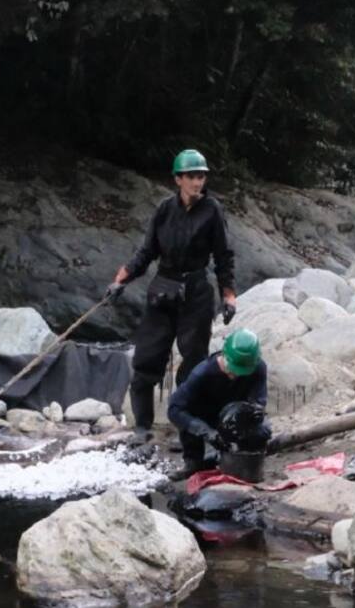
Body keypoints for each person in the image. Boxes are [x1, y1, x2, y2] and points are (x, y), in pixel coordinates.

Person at [107, 149, 237, 440]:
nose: (197, 182)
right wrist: (121, 279)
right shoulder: (165, 209)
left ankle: (187, 433)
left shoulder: (213, 210)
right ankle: (142, 429)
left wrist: (228, 295)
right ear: (178, 179)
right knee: (146, 362)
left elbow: (224, 256)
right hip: (163, 290)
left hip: (196, 293)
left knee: (193, 366)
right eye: (191, 176)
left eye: (201, 176)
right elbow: (147, 251)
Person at [167, 328, 268, 480]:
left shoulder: (258, 367)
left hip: (235, 416)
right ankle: (193, 462)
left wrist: (257, 409)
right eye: (233, 370)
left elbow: (259, 398)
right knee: (189, 418)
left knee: (264, 429)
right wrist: (205, 431)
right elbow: (174, 409)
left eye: (242, 372)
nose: (236, 375)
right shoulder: (202, 373)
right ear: (224, 356)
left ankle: (244, 460)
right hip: (204, 416)